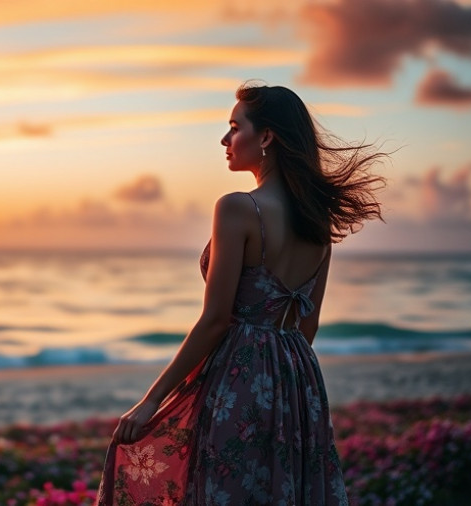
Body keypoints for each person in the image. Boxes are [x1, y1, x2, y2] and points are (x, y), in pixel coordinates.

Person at [96, 82, 386, 505]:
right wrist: (283, 386)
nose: (225, 139)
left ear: (266, 137)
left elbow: (215, 319)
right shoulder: (317, 220)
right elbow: (308, 323)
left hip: (240, 377)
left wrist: (150, 400)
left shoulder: (237, 208)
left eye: (235, 127)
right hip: (299, 384)